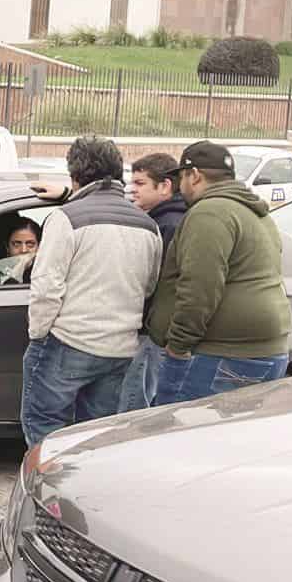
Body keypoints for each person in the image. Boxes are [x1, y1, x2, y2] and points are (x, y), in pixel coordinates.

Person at [22, 136, 161, 447]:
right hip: (120, 347)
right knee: (94, 438)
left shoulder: (66, 218)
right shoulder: (146, 225)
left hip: (68, 341)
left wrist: (39, 335)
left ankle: (52, 490)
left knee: (44, 427)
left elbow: (46, 286)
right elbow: (149, 285)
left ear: (74, 175)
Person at [148, 141, 291, 406]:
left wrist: (178, 346)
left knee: (177, 437)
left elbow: (199, 288)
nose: (180, 186)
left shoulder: (210, 212)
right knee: (229, 442)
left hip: (222, 353)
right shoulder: (254, 212)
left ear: (195, 175)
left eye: (181, 178)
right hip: (267, 349)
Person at [118, 152, 187, 412]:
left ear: (165, 186)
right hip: (157, 330)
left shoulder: (167, 225)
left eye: (140, 183)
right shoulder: (163, 219)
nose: (132, 190)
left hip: (154, 333)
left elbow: (155, 282)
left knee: (134, 405)